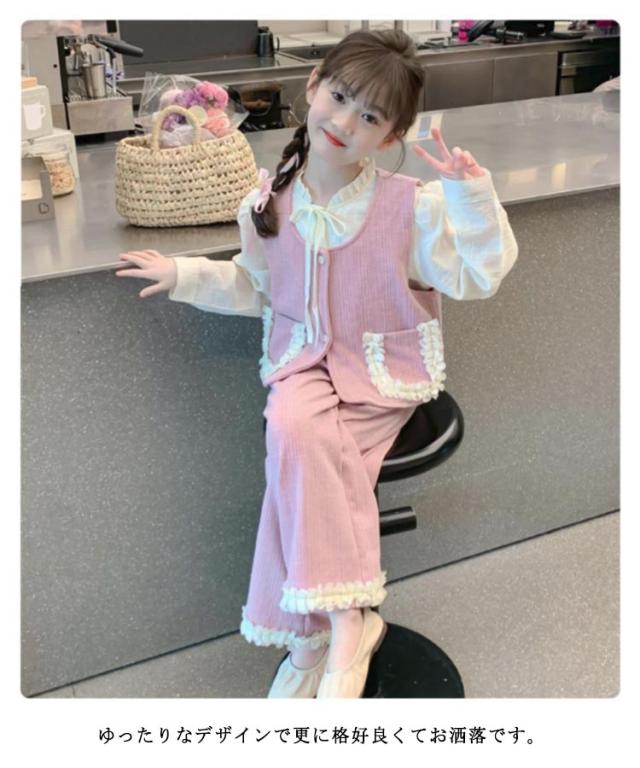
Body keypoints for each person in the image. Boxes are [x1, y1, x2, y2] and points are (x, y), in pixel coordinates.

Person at [115, 29, 519, 698]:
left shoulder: (411, 206)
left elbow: (479, 276)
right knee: (292, 432)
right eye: (340, 97)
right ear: (312, 87)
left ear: (390, 137)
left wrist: (469, 196)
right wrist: (183, 274)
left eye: (371, 116)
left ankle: (311, 637)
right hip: (301, 365)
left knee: (296, 456)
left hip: (379, 376)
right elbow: (257, 287)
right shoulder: (266, 203)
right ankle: (347, 621)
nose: (346, 122)